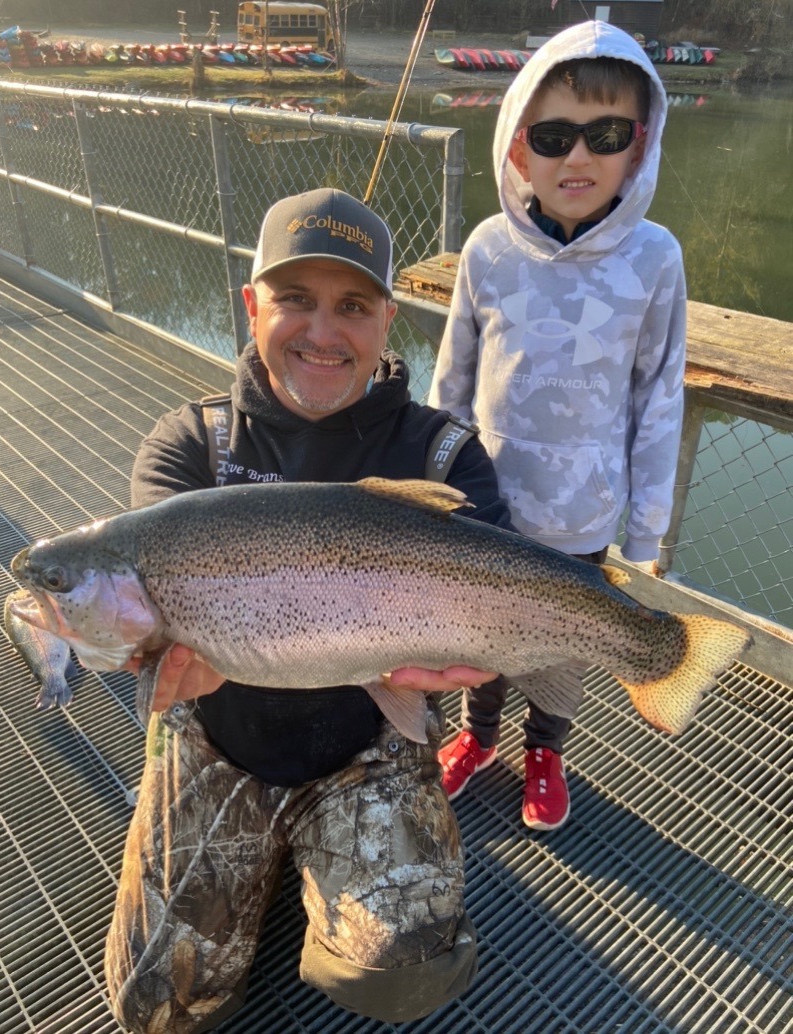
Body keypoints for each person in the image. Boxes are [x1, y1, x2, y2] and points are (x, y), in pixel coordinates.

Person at [103, 187, 512, 1034]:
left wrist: (510, 651)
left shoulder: (444, 454)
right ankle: (268, 861)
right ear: (251, 307)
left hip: (372, 738)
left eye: (352, 306)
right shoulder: (189, 445)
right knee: (158, 1006)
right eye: (295, 298)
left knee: (404, 971)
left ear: (388, 320)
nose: (324, 331)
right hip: (220, 736)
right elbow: (140, 620)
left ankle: (321, 867)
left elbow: (506, 594)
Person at [429, 21, 687, 832]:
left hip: (583, 510)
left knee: (562, 641)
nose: (578, 157)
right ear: (517, 146)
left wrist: (646, 527)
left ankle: (546, 749)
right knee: (479, 635)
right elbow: (452, 380)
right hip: (485, 503)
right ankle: (478, 736)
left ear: (639, 146)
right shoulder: (486, 249)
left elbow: (660, 395)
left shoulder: (656, 258)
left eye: (605, 135)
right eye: (552, 136)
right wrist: (431, 489)